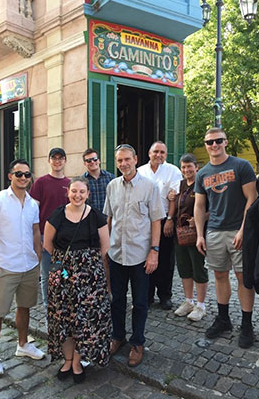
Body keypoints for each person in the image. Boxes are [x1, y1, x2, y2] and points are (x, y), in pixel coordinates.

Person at [43, 177, 111, 383]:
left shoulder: (96, 216)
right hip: (62, 274)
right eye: (74, 191)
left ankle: (77, 361)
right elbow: (47, 244)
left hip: (89, 277)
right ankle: (67, 358)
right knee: (63, 317)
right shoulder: (57, 215)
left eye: (82, 192)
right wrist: (66, 269)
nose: (77, 195)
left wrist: (86, 267)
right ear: (68, 192)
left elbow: (105, 246)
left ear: (88, 194)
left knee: (85, 318)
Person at [194, 127, 257, 348]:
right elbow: (200, 205)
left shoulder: (241, 166)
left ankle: (247, 324)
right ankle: (224, 319)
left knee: (243, 278)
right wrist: (200, 235)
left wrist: (243, 230)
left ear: (226, 142)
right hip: (214, 232)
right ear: (205, 145)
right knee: (220, 276)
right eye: (210, 142)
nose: (214, 145)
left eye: (218, 141)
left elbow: (252, 199)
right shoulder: (202, 174)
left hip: (238, 231)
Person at [0, 159, 44, 376]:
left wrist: (38, 252)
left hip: (29, 264)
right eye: (19, 174)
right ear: (10, 176)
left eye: (27, 174)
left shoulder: (33, 203)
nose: (23, 178)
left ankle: (23, 344)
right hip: (5, 265)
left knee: (24, 307)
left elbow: (35, 230)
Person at [104, 144, 165, 367]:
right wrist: (105, 251)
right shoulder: (112, 186)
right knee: (117, 300)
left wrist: (154, 251)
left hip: (141, 256)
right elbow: (109, 219)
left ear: (136, 159)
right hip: (117, 254)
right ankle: (117, 336)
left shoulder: (150, 187)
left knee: (140, 302)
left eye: (127, 159)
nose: (123, 164)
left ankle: (137, 342)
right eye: (119, 160)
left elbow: (156, 220)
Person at [138, 141, 182, 309]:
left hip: (165, 220)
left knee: (165, 260)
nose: (159, 155)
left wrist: (170, 219)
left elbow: (174, 197)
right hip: (144, 222)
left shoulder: (173, 171)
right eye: (156, 151)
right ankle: (147, 296)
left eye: (162, 152)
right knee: (145, 258)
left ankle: (165, 295)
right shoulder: (140, 171)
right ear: (149, 153)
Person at [30, 148, 70, 312]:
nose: (57, 161)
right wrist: (34, 238)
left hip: (65, 239)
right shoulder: (41, 182)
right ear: (49, 161)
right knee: (47, 275)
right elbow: (33, 211)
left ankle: (65, 306)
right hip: (44, 238)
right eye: (54, 158)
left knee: (65, 272)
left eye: (61, 158)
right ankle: (49, 309)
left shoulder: (69, 184)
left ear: (65, 161)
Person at [170, 154, 208, 321]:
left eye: (189, 167)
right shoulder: (181, 185)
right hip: (181, 234)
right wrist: (171, 196)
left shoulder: (202, 184)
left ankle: (200, 305)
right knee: (184, 268)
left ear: (196, 167)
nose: (186, 170)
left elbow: (212, 208)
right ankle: (188, 301)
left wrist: (200, 218)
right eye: (183, 167)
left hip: (196, 233)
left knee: (198, 268)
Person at [82, 148, 114, 213]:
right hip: (90, 220)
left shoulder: (111, 178)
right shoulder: (81, 181)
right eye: (88, 160)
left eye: (95, 159)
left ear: (99, 160)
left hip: (108, 219)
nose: (92, 162)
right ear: (85, 163)